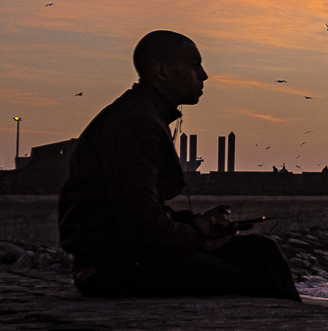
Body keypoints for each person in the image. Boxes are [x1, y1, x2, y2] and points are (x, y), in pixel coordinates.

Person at [59, 30, 300, 301]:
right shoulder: (136, 124)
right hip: (112, 267)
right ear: (162, 72)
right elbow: (141, 226)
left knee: (260, 251)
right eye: (194, 64)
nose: (204, 74)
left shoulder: (141, 114)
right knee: (247, 279)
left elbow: (138, 209)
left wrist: (194, 222)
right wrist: (199, 237)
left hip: (125, 255)